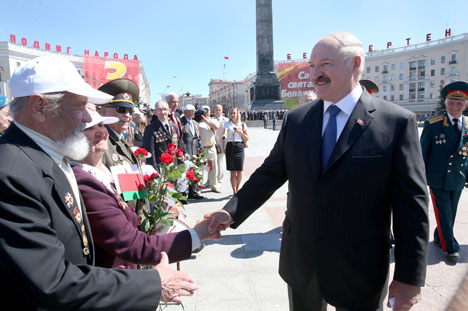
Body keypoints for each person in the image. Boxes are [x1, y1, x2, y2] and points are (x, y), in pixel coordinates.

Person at [207, 32, 429, 311]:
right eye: (312, 66)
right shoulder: (297, 119)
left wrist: (409, 278)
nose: (315, 74)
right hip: (302, 264)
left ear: (356, 63)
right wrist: (230, 211)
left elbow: (413, 207)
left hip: (359, 268)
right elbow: (269, 174)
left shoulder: (396, 123)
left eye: (325, 64)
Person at [0, 56, 199, 310]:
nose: (86, 118)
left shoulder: (48, 157)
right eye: (79, 106)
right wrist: (152, 284)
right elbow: (51, 281)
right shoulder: (12, 172)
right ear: (39, 107)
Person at [72, 104, 218, 269]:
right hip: (120, 264)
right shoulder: (86, 177)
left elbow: (133, 198)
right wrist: (194, 235)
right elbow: (128, 239)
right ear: (103, 109)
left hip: (137, 249)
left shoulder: (121, 144)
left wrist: (159, 212)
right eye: (120, 110)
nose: (126, 115)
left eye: (100, 124)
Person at [420, 81, 468, 262]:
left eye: (459, 103)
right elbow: (421, 154)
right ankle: (450, 248)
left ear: (466, 105)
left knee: (451, 213)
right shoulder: (433, 125)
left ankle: (440, 237)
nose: (455, 107)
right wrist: (418, 177)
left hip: (458, 178)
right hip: (437, 178)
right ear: (445, 103)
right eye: (451, 103)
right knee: (444, 212)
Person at [98, 78, 140, 168]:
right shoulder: (99, 142)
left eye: (130, 110)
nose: (128, 115)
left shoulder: (122, 141)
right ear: (102, 111)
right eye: (121, 109)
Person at [143, 100, 180, 170]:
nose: (163, 112)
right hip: (160, 167)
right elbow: (150, 151)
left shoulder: (173, 126)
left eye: (165, 109)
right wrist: (154, 170)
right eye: (159, 110)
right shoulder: (150, 128)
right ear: (155, 112)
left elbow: (178, 146)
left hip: (174, 166)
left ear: (169, 110)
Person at [223, 107, 249, 195]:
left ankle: (237, 188)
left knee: (240, 171)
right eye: (231, 113)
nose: (232, 115)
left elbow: (247, 138)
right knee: (233, 172)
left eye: (234, 113)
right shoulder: (227, 124)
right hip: (230, 147)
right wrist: (224, 137)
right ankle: (234, 191)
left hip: (239, 147)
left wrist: (239, 132)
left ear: (237, 114)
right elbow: (225, 132)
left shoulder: (242, 124)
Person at [180, 104, 203, 199]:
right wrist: (183, 151)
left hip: (195, 152)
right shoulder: (181, 122)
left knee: (193, 172)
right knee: (185, 174)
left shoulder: (195, 123)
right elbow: (180, 138)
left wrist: (200, 150)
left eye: (193, 111)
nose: (191, 113)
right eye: (189, 111)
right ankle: (184, 195)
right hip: (186, 152)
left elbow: (198, 137)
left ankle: (193, 192)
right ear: (184, 112)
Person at [198, 105, 221, 193]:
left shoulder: (213, 120)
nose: (206, 112)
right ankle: (198, 186)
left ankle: (214, 186)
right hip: (201, 149)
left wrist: (206, 120)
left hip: (211, 147)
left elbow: (216, 127)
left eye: (207, 110)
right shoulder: (198, 122)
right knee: (200, 168)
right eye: (204, 111)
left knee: (213, 167)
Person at [213, 104, 229, 186]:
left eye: (219, 110)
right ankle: (212, 180)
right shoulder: (211, 120)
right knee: (212, 163)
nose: (218, 111)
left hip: (221, 144)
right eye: (216, 109)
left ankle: (220, 180)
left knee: (220, 162)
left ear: (222, 111)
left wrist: (225, 145)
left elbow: (226, 131)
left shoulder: (226, 120)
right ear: (214, 110)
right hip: (212, 144)